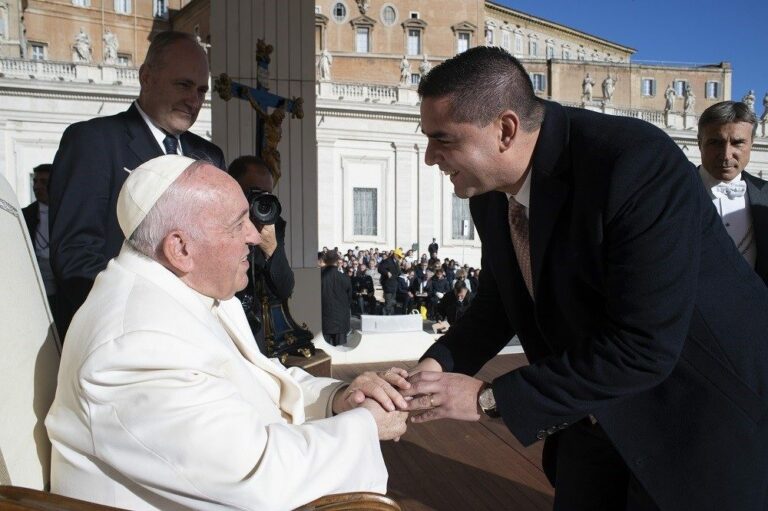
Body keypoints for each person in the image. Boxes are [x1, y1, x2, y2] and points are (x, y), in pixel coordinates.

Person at [402, 46, 768, 510]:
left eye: (443, 139)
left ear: (505, 129)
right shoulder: (488, 194)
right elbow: (497, 306)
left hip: (696, 422)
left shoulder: (633, 162)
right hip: (591, 417)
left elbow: (645, 346)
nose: (430, 157)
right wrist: (428, 373)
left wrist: (488, 399)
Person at [45, 155, 410, 511]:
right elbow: (257, 478)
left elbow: (263, 383)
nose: (254, 235)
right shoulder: (135, 346)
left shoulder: (186, 288)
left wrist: (341, 398)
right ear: (180, 247)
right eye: (238, 224)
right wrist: (365, 425)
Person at [49, 31, 225, 338]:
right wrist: (145, 321)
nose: (194, 100)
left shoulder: (209, 155)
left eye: (201, 90)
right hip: (123, 336)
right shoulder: (94, 141)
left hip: (202, 335)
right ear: (147, 77)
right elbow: (75, 256)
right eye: (183, 85)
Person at [228, 155, 294, 355]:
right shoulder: (218, 220)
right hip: (224, 319)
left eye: (266, 194)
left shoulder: (272, 222)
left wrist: (272, 249)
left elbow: (285, 288)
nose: (260, 200)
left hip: (255, 325)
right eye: (253, 193)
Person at [697, 101, 768, 285]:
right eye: (715, 142)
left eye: (737, 143)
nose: (726, 155)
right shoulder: (673, 192)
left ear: (752, 143)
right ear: (699, 143)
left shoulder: (766, 196)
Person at [22, 164, 57, 314]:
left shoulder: (66, 213)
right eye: (35, 181)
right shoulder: (25, 215)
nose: (36, 187)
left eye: (43, 182)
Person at [321, 252, 352, 346]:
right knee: (340, 351)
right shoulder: (344, 278)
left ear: (325, 261)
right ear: (337, 261)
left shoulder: (319, 277)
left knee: (325, 352)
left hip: (325, 318)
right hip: (341, 319)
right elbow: (349, 298)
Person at [377, 248, 402, 315]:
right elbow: (380, 268)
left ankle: (390, 314)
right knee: (389, 301)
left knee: (392, 301)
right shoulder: (388, 261)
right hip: (388, 285)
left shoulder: (396, 262)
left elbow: (398, 272)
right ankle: (384, 312)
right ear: (395, 255)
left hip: (394, 284)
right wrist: (386, 272)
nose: (399, 258)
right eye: (399, 256)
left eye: (400, 257)